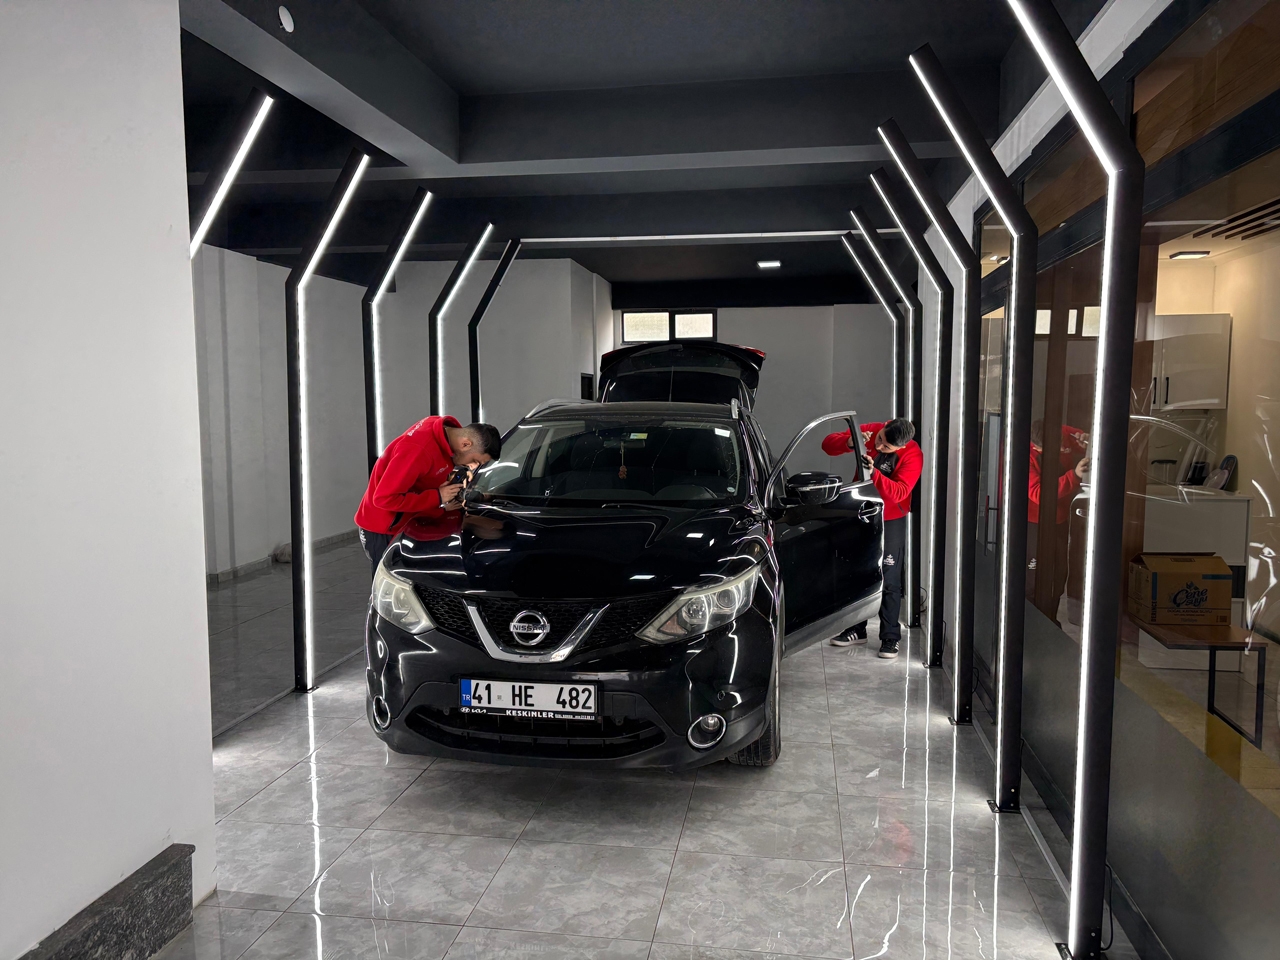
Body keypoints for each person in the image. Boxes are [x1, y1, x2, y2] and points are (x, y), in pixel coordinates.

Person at [821, 417, 922, 659]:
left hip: (891, 518)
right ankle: (856, 628)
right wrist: (850, 442)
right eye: (880, 439)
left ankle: (890, 637)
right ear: (884, 427)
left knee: (889, 577)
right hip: (862, 511)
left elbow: (899, 492)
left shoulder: (912, 456)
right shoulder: (872, 430)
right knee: (858, 570)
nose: (879, 446)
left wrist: (874, 473)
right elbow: (827, 444)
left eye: (886, 446)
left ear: (901, 447)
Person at [355, 416, 502, 575]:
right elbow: (384, 499)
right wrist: (437, 496)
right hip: (383, 527)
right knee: (389, 581)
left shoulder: (444, 434)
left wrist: (442, 495)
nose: (472, 467)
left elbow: (422, 476)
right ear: (466, 444)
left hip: (409, 521)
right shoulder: (418, 449)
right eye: (475, 461)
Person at [1027, 420, 1088, 616]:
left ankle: (1051, 619)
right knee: (1034, 578)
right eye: (1056, 448)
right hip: (1035, 524)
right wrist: (1074, 476)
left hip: (1061, 520)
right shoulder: (1027, 456)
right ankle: (1033, 621)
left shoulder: (1060, 431)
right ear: (1037, 447)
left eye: (1061, 443)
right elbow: (1038, 493)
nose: (1063, 448)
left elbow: (1081, 440)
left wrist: (1084, 441)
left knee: (1059, 574)